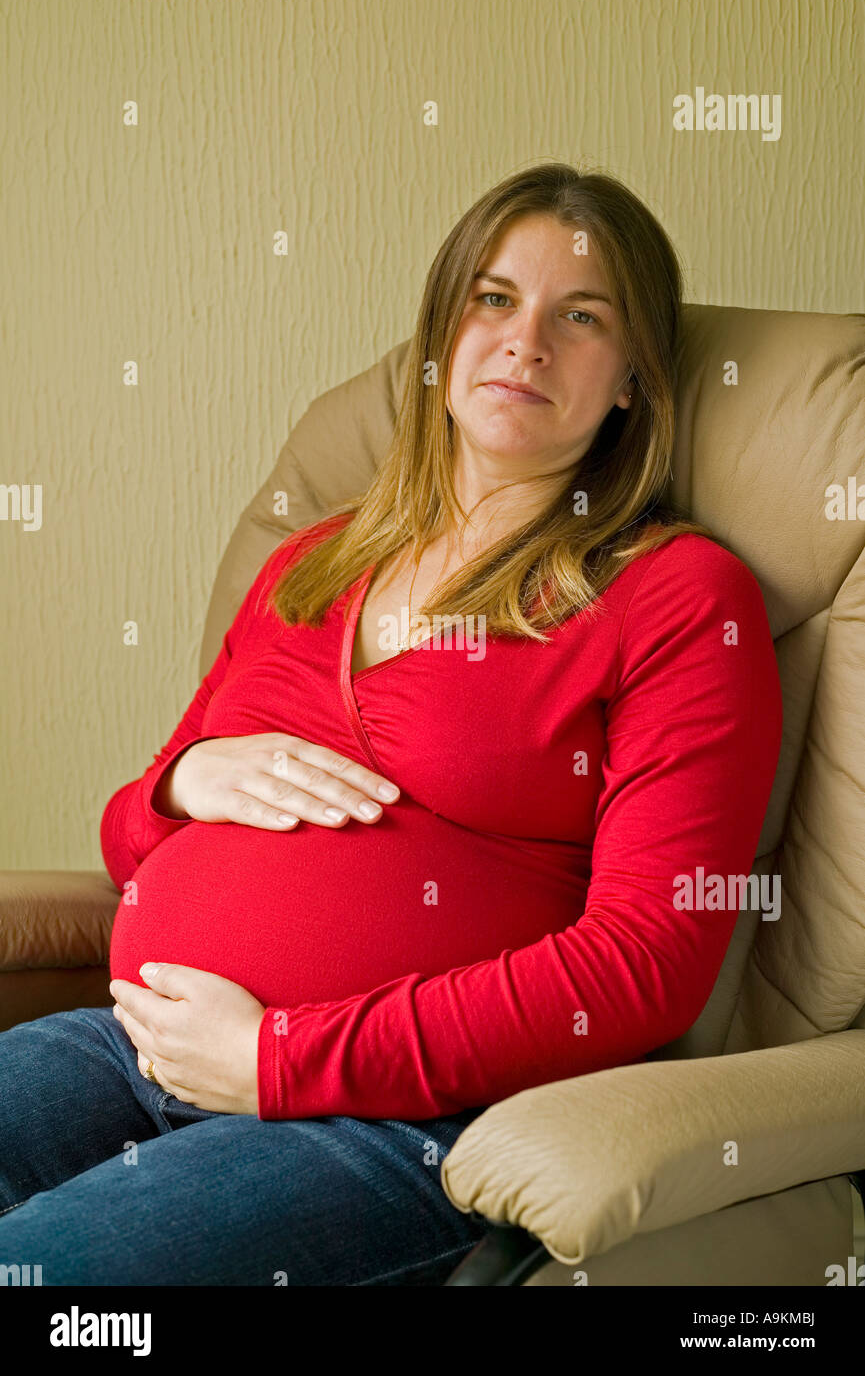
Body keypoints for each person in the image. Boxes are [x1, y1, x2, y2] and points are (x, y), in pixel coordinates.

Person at [0, 162, 783, 1285]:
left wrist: (277, 1058)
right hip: (129, 1048)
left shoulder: (673, 595)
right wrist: (183, 782)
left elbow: (641, 966)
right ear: (441, 333)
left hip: (385, 1123)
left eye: (581, 316)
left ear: (629, 381)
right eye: (494, 299)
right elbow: (131, 843)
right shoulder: (309, 564)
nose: (525, 344)